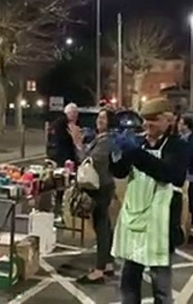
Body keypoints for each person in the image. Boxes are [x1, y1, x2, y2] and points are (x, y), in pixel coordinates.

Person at [110, 98, 188, 304]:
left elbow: (170, 173)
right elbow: (119, 172)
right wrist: (116, 154)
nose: (147, 125)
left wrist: (136, 153)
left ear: (168, 121)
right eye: (145, 120)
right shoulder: (140, 142)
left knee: (160, 286)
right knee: (128, 283)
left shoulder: (177, 146)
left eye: (153, 120)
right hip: (135, 221)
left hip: (160, 227)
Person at [69, 108, 117, 284]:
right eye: (99, 117)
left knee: (101, 227)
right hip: (103, 185)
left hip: (100, 188)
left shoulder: (106, 141)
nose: (99, 120)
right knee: (105, 225)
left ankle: (99, 270)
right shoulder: (101, 139)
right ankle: (108, 263)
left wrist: (78, 143)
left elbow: (89, 162)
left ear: (110, 122)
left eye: (103, 118)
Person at [47, 102, 79, 216]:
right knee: (62, 186)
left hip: (58, 158)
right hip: (64, 160)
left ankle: (58, 210)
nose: (76, 117)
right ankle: (59, 211)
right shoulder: (64, 125)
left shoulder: (58, 123)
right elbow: (67, 144)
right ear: (70, 113)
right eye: (75, 114)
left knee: (59, 186)